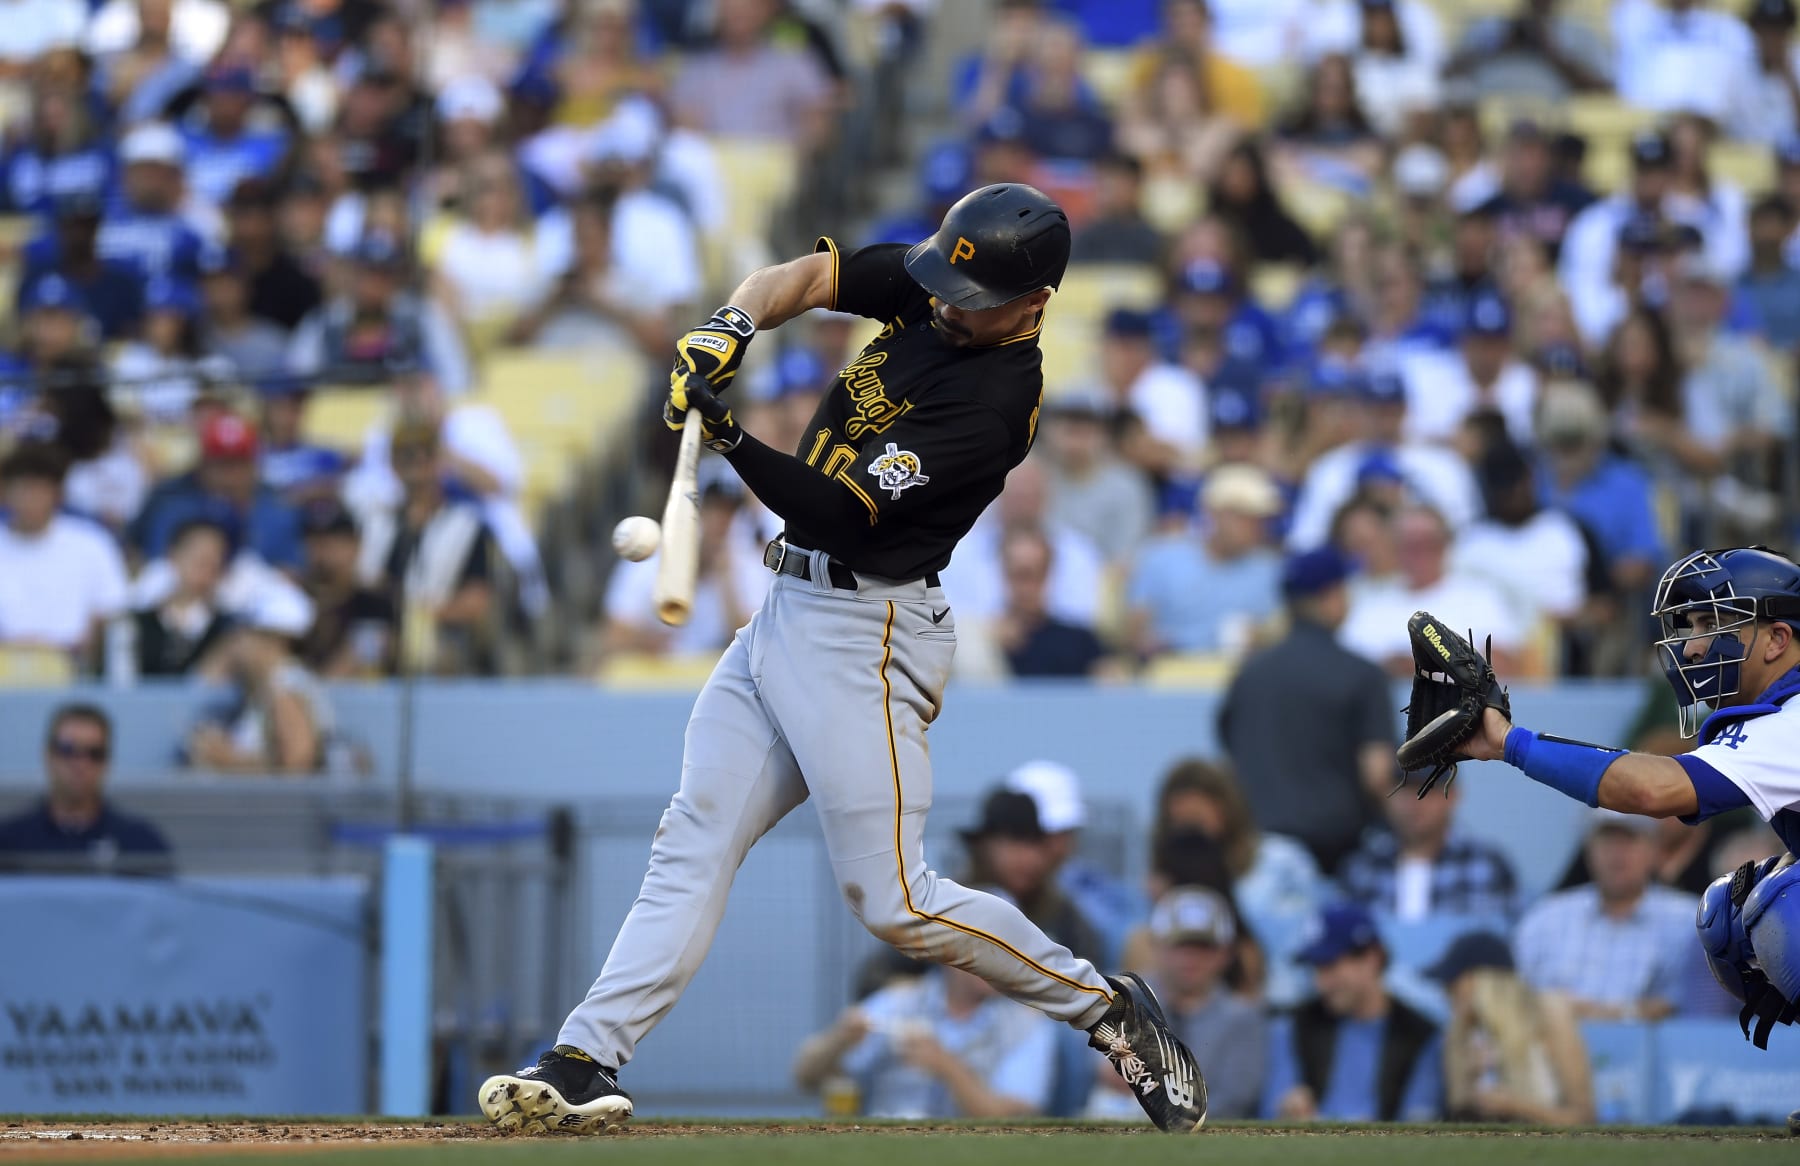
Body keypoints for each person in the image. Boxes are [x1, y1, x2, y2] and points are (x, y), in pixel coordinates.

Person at [477, 184, 1208, 1135]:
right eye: (946, 281)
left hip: (867, 630)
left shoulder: (995, 402)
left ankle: (1108, 1011)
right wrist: (729, 326)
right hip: (787, 606)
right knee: (693, 833)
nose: (945, 303)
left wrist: (730, 432)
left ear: (1035, 304)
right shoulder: (942, 283)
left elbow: (835, 510)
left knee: (896, 901)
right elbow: (807, 276)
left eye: (973, 299)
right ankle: (586, 1056)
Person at [1219, 547, 1394, 871]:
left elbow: (1231, 763)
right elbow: (1377, 774)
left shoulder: (1248, 675)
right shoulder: (1362, 674)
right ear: (1330, 596)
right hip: (1337, 857)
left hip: (1256, 856)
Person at [1142, 759, 1327, 1009]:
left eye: (1197, 822)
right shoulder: (1164, 887)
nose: (1191, 838)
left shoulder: (1281, 864)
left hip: (1274, 1006)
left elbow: (1301, 952)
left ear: (1226, 811)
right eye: (1180, 827)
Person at [1087, 887, 1266, 1122]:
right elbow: (1098, 1073)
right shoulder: (1122, 996)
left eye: (1203, 948)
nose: (1190, 959)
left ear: (1226, 954)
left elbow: (1234, 1101)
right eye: (1180, 946)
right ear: (1157, 947)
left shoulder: (1243, 1018)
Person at [792, 962, 1056, 1119]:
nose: (999, 960)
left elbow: (1016, 1117)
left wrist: (946, 1066)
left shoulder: (1026, 1022)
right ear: (948, 948)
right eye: (986, 946)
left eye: (1008, 947)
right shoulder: (901, 1000)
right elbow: (805, 1076)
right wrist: (839, 1040)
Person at [1512, 809, 1706, 1019]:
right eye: (1607, 839)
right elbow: (1512, 998)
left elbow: (1691, 1005)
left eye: (1628, 840)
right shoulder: (1544, 919)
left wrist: (1605, 1014)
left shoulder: (1689, 920)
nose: (1616, 853)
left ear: (1654, 850)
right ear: (1588, 850)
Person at [1262, 902, 1444, 1121]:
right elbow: (1272, 1109)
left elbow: (1420, 1122)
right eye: (1317, 969)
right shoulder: (1295, 1025)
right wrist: (1289, 1108)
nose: (1321, 983)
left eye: (1330, 966)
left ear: (1371, 959)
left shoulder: (1420, 1035)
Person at [1428, 932, 1595, 1125]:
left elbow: (1585, 1119)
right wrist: (1469, 1080)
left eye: (1452, 984)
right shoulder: (1459, 1033)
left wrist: (1517, 1106)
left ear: (1479, 981)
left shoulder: (1550, 1017)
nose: (1446, 993)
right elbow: (1459, 1116)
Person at [1126, 463, 1284, 658]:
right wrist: (1149, 645)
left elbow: (1279, 633)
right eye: (1244, 517)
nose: (1256, 527)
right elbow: (1135, 630)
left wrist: (1261, 637)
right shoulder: (1161, 557)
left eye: (1261, 519)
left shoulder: (1271, 569)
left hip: (1242, 675)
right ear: (1214, 514)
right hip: (1170, 673)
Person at [0, 704, 172, 874]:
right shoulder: (9, 842)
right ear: (48, 756)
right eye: (67, 750)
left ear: (107, 762)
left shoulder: (140, 844)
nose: (80, 764)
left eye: (94, 753)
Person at [0, 441, 130, 662]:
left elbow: (112, 609)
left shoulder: (92, 542)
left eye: (40, 489)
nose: (31, 498)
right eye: (23, 488)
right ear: (4, 492)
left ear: (57, 493)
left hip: (77, 668)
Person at [1340, 768, 1519, 920]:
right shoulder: (1361, 869)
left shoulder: (1487, 866)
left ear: (1453, 795)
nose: (1414, 801)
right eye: (1404, 789)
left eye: (1428, 788)